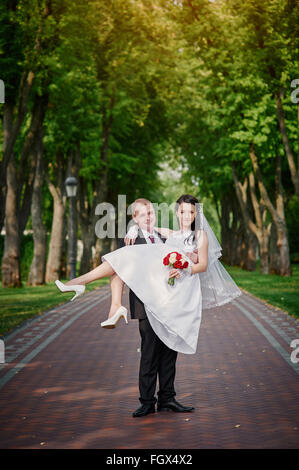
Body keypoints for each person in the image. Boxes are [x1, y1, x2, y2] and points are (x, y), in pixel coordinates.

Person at [55, 194, 242, 415]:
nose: (186, 216)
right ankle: (146, 401)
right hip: (146, 304)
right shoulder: (131, 238)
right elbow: (121, 268)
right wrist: (134, 229)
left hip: (174, 301)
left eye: (190, 212)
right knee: (149, 353)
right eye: (182, 212)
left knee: (169, 352)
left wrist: (187, 262)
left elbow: (191, 257)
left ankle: (167, 399)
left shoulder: (174, 237)